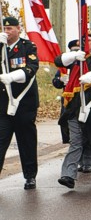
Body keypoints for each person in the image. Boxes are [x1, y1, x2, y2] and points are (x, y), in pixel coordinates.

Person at [55, 29, 91, 189]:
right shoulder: (77, 57)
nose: (86, 43)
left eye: (89, 40)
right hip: (75, 108)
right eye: (83, 40)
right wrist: (74, 56)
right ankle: (68, 175)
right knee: (76, 141)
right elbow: (58, 61)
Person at [0, 16, 39, 190]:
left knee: (26, 142)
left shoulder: (27, 46)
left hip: (24, 104)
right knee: (1, 141)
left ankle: (30, 176)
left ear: (18, 29)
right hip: (3, 106)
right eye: (4, 29)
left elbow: (31, 68)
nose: (7, 32)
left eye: (10, 29)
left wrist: (13, 77)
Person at [53, 39, 91, 173]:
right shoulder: (65, 65)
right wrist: (60, 81)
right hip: (68, 102)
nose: (75, 52)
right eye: (73, 50)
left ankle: (87, 161)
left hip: (84, 101)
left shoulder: (86, 62)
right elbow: (55, 81)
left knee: (85, 132)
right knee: (71, 133)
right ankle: (77, 162)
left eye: (77, 49)